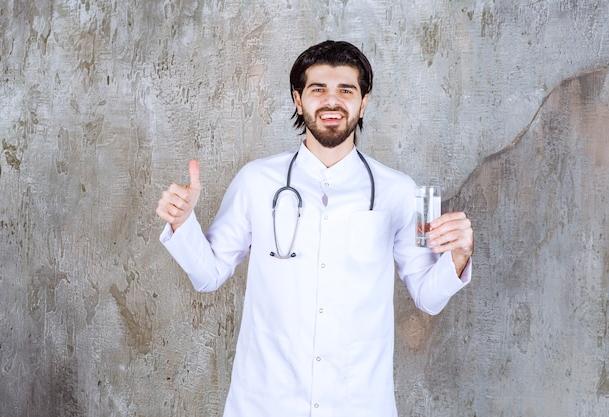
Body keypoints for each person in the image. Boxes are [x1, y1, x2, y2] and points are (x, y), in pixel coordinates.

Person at [156, 40, 473, 417]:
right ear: (298, 99)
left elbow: (428, 296)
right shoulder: (257, 181)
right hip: (267, 400)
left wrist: (457, 256)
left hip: (358, 402)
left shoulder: (397, 191)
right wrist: (182, 223)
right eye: (318, 89)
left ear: (364, 101)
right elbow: (208, 275)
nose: (331, 101)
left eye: (346, 90)